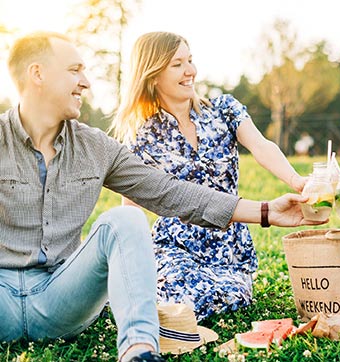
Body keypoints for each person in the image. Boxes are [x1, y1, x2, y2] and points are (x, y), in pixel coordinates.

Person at [0, 31, 323, 362]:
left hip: (61, 299)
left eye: (190, 60)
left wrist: (267, 211)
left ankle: (140, 351)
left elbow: (172, 194)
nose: (86, 82)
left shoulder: (97, 148)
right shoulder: (141, 132)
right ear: (37, 74)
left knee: (126, 219)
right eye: (74, 70)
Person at [110, 31, 306, 322]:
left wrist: (297, 181)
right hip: (174, 244)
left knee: (225, 296)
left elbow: (261, 146)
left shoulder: (224, 110)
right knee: (182, 295)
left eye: (190, 60)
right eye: (177, 64)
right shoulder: (142, 137)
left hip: (229, 245)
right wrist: (127, 265)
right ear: (153, 75)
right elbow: (132, 209)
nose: (191, 71)